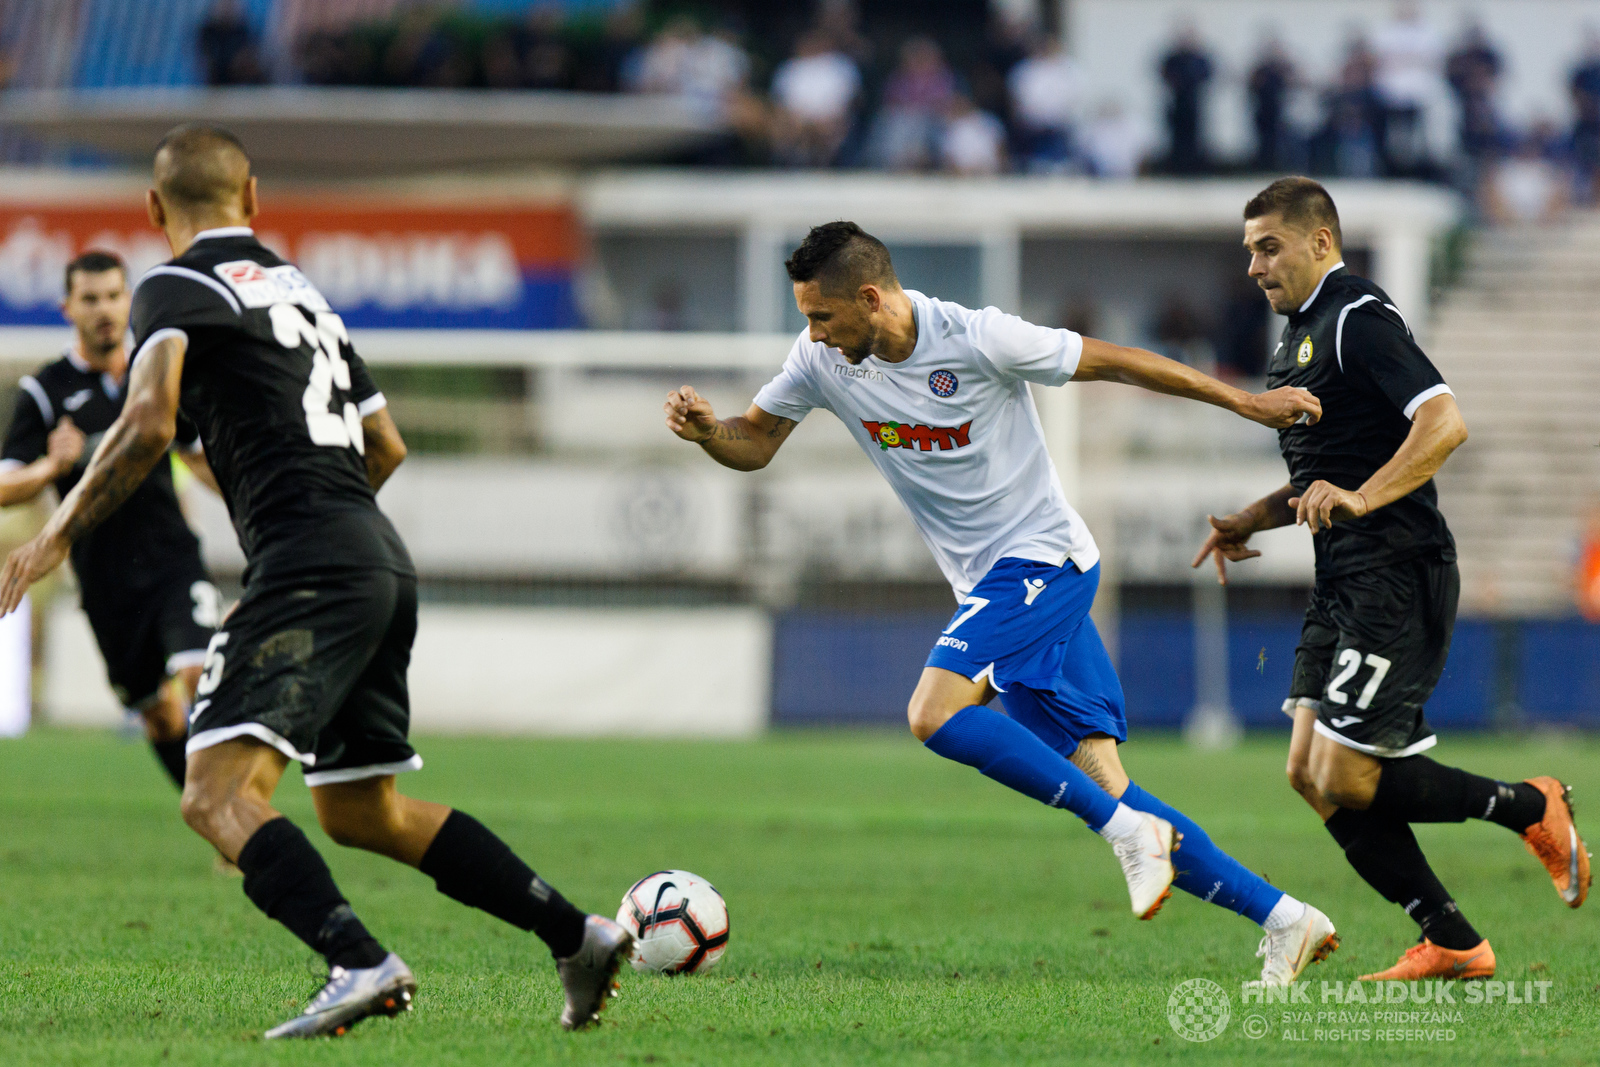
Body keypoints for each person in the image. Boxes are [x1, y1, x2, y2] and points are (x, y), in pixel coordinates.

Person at [0, 125, 634, 1037]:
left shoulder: (176, 285)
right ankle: (576, 934)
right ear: (252, 197)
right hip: (377, 555)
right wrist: (331, 531)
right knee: (359, 808)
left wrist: (54, 532)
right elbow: (388, 444)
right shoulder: (303, 293)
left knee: (215, 794)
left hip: (311, 567)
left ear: (153, 209)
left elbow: (146, 424)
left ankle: (359, 960)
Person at [664, 221, 1339, 986]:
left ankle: (1126, 836)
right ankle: (1286, 918)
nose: (810, 332)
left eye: (820, 315)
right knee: (1109, 783)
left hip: (1044, 563)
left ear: (871, 297)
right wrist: (705, 433)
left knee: (934, 712)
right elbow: (753, 440)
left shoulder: (978, 338)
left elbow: (1121, 363)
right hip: (995, 589)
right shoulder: (822, 360)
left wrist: (1246, 402)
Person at [1195, 176, 1590, 982]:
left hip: (1398, 571)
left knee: (1346, 770)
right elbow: (1326, 476)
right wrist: (1250, 518)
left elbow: (1445, 421)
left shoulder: (1356, 319)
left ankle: (1532, 804)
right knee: (1309, 772)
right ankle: (1451, 937)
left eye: (1268, 247)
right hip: (1342, 575)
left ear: (1321, 241)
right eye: (1248, 252)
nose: (1254, 267)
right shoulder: (1296, 337)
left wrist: (1366, 498)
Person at [0, 250, 220, 793]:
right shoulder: (45, 393)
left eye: (114, 296)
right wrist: (53, 465)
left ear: (130, 301)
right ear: (67, 308)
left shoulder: (157, 372)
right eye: (90, 298)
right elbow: (5, 487)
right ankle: (219, 818)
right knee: (160, 717)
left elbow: (196, 456)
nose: (105, 309)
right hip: (105, 583)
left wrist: (264, 505)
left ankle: (240, 817)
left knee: (200, 676)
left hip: (173, 560)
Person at [1158, 23, 1214, 174]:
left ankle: (1194, 169)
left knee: (1196, 139)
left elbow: (1208, 76)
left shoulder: (1200, 58)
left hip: (1195, 104)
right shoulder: (1173, 58)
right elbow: (1164, 75)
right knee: (1177, 139)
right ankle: (1177, 168)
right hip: (1177, 104)